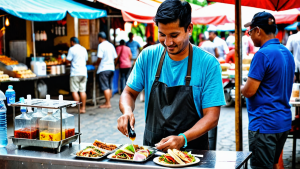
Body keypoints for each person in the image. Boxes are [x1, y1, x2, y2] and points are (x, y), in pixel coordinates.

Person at [117, 0, 225, 151]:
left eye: (174, 35)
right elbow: (129, 92)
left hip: (194, 152)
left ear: (189, 28)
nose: (168, 42)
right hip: (152, 150)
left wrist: (183, 138)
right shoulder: (148, 56)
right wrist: (127, 111)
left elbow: (212, 117)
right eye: (162, 34)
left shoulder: (208, 64)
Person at [242, 12, 295, 169]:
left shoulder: (262, 55)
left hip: (264, 124)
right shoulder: (287, 52)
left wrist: (241, 88)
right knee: (272, 164)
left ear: (258, 30)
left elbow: (249, 91)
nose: (249, 35)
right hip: (283, 122)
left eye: (250, 31)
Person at [66, 37, 88, 113]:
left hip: (75, 72)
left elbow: (68, 60)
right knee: (82, 91)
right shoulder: (84, 49)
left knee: (74, 91)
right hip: (83, 72)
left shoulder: (72, 49)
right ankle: (83, 108)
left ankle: (78, 108)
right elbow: (86, 60)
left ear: (72, 42)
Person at [96, 32, 117, 108]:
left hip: (104, 68)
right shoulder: (111, 45)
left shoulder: (101, 45)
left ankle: (108, 103)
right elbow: (115, 57)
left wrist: (96, 64)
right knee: (109, 86)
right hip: (111, 68)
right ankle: (107, 101)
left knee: (105, 86)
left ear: (100, 38)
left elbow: (99, 58)